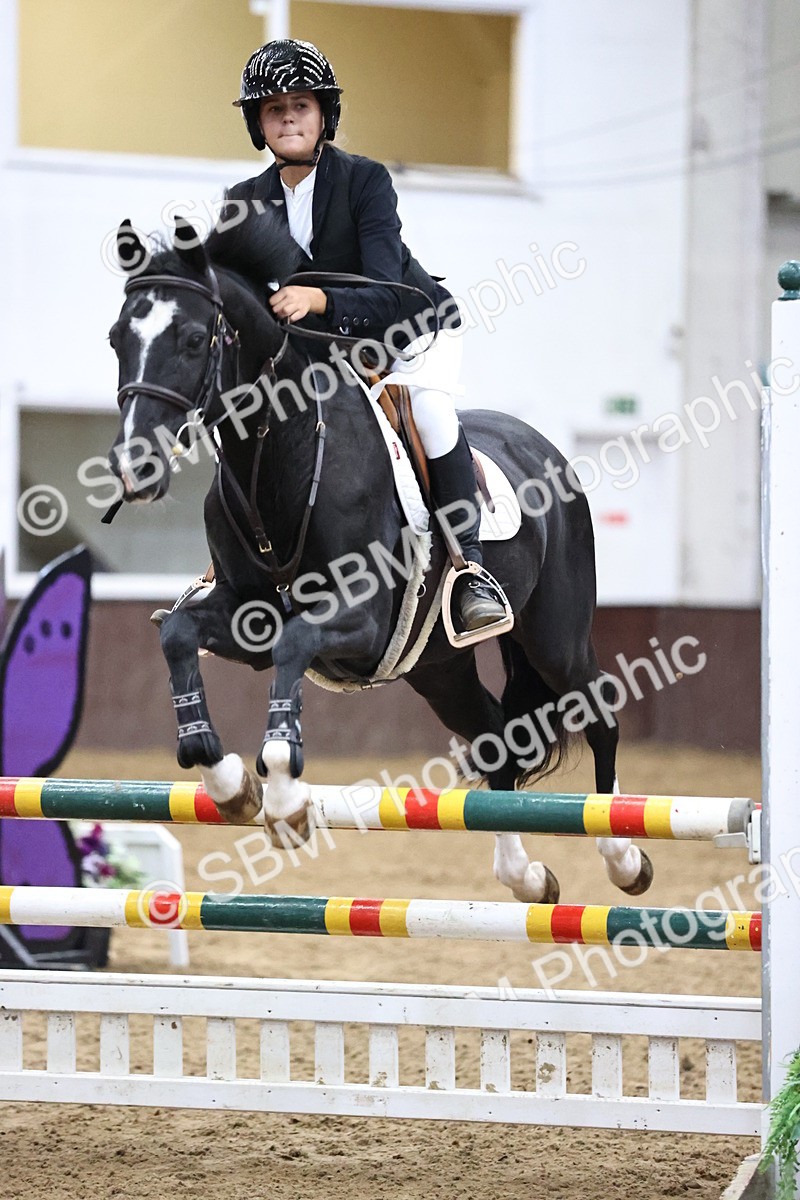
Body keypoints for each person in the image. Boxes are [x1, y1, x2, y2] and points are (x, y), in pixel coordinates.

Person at [230, 38, 506, 633]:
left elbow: (387, 294)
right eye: (273, 109)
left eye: (299, 106)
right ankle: (229, 569)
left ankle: (469, 571)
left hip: (410, 329)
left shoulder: (365, 182)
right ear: (259, 123)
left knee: (429, 413)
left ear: (324, 115)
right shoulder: (243, 202)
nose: (287, 118)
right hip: (325, 355)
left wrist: (317, 298)